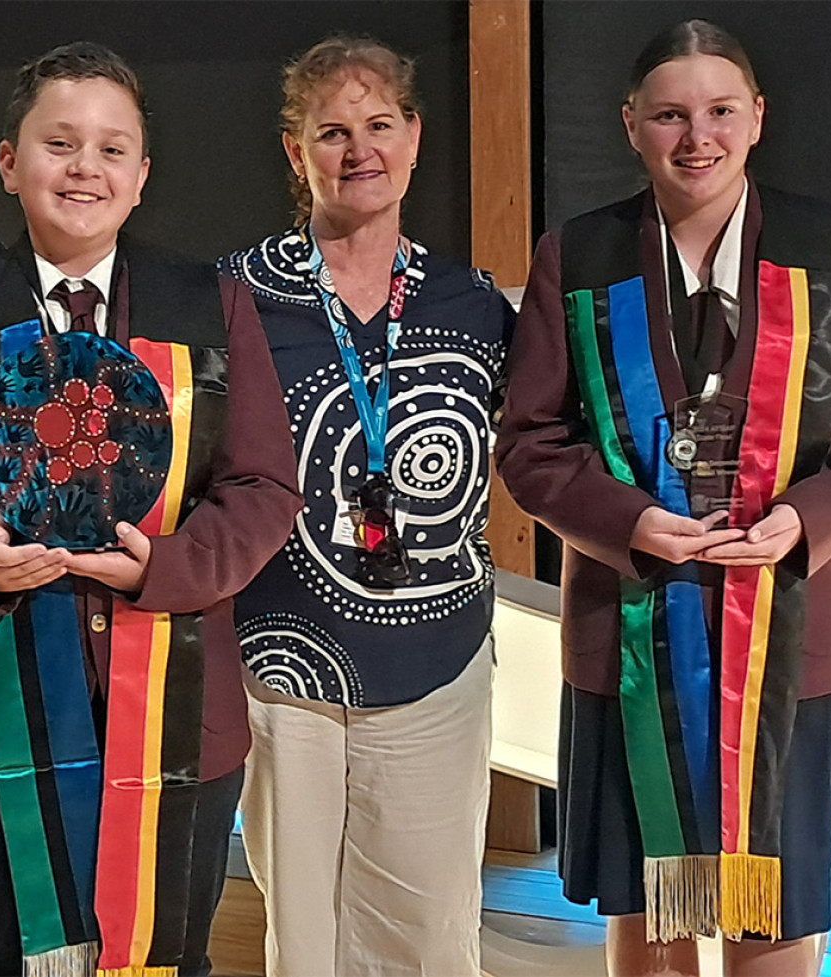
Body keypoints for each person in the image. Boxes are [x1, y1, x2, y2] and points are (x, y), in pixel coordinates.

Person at [494, 19, 831, 977]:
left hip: (792, 631)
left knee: (769, 913)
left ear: (757, 119)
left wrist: (806, 520)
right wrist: (628, 522)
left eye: (719, 111)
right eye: (669, 115)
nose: (696, 136)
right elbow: (528, 444)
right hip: (626, 628)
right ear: (630, 126)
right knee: (650, 916)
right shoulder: (578, 255)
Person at [0, 41, 300, 977]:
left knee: (168, 953)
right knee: (14, 955)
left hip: (181, 711)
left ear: (141, 175)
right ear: (10, 163)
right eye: (60, 144)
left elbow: (263, 489)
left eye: (110, 148)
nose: (84, 167)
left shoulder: (212, 309)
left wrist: (165, 569)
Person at [218, 35, 513, 977]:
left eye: (379, 125)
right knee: (303, 929)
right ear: (293, 150)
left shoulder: (471, 303)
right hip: (280, 653)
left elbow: (542, 445)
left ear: (415, 136)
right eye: (332, 131)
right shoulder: (233, 300)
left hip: (437, 652)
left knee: (429, 931)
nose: (359, 151)